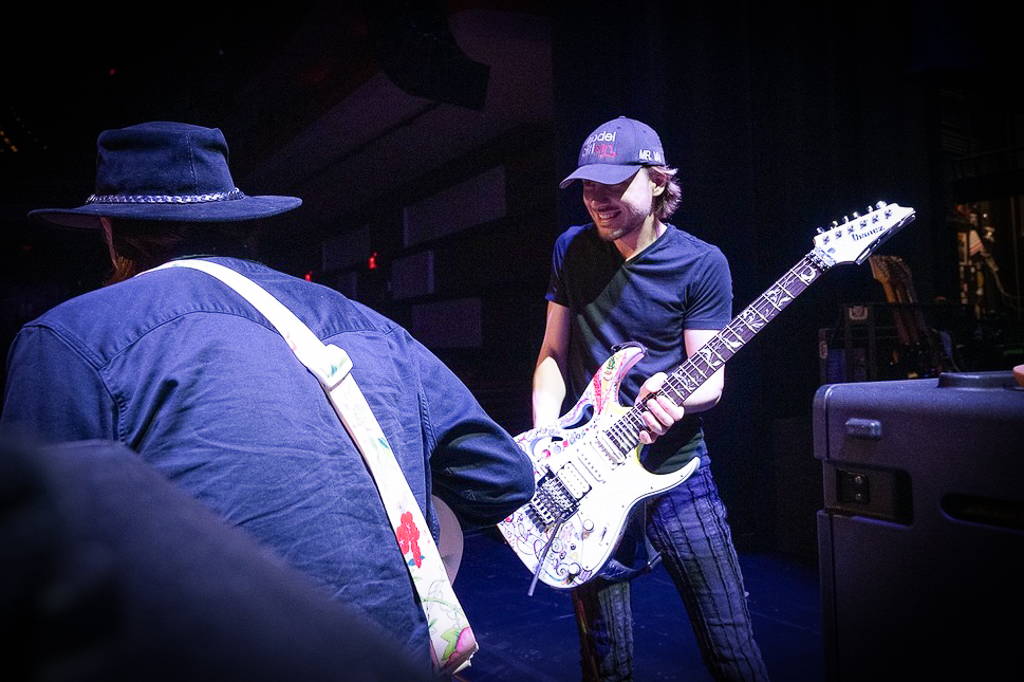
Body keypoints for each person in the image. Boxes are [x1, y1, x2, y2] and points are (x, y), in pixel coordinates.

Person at [0, 121, 535, 674]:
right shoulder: (367, 323)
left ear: (111, 231)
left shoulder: (70, 338)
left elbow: (33, 578)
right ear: (236, 222)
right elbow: (503, 480)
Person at [532, 116, 768, 681]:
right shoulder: (572, 249)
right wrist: (547, 441)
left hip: (675, 472)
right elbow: (551, 357)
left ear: (657, 181)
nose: (598, 199)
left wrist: (679, 399)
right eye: (589, 185)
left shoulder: (701, 262)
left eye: (613, 184)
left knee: (731, 646)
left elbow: (709, 375)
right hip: (587, 473)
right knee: (605, 661)